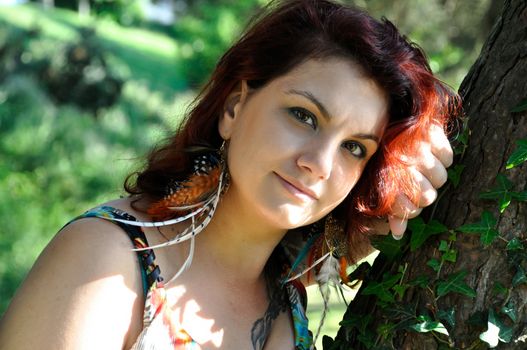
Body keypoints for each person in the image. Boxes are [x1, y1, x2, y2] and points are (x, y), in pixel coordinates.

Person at [0, 0, 459, 349]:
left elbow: (339, 246)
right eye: (303, 116)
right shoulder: (108, 260)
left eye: (354, 148)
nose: (319, 163)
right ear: (234, 107)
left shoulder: (290, 302)